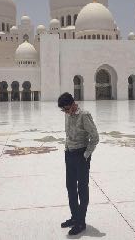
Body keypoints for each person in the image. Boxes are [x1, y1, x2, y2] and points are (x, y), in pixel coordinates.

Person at [58, 92, 99, 236]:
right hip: (69, 154)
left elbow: (95, 137)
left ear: (73, 104)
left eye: (67, 109)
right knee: (70, 187)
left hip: (81, 155)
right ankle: (75, 217)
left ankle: (81, 222)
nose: (66, 112)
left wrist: (86, 155)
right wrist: (66, 149)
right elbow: (68, 134)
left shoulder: (84, 115)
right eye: (63, 110)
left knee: (82, 188)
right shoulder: (67, 114)